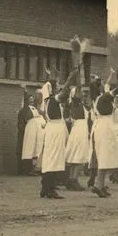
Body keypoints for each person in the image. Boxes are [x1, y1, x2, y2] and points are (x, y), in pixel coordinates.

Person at [38, 68, 79, 199]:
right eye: (54, 87)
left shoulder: (50, 102)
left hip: (54, 130)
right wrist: (71, 78)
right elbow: (64, 93)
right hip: (55, 132)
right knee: (53, 159)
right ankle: (49, 189)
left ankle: (45, 188)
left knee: (50, 159)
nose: (57, 89)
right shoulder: (52, 100)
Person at [64, 78, 90, 190]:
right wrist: (79, 76)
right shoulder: (75, 103)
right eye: (80, 93)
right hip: (78, 131)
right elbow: (77, 92)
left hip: (82, 130)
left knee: (78, 156)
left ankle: (72, 180)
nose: (83, 95)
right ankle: (73, 180)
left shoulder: (83, 106)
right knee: (78, 156)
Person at [19, 87, 45, 176]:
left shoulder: (35, 108)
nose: (31, 100)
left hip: (38, 131)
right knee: (29, 148)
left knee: (36, 149)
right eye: (29, 99)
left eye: (32, 99)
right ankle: (28, 169)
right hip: (31, 130)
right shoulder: (26, 109)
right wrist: (25, 91)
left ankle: (35, 168)